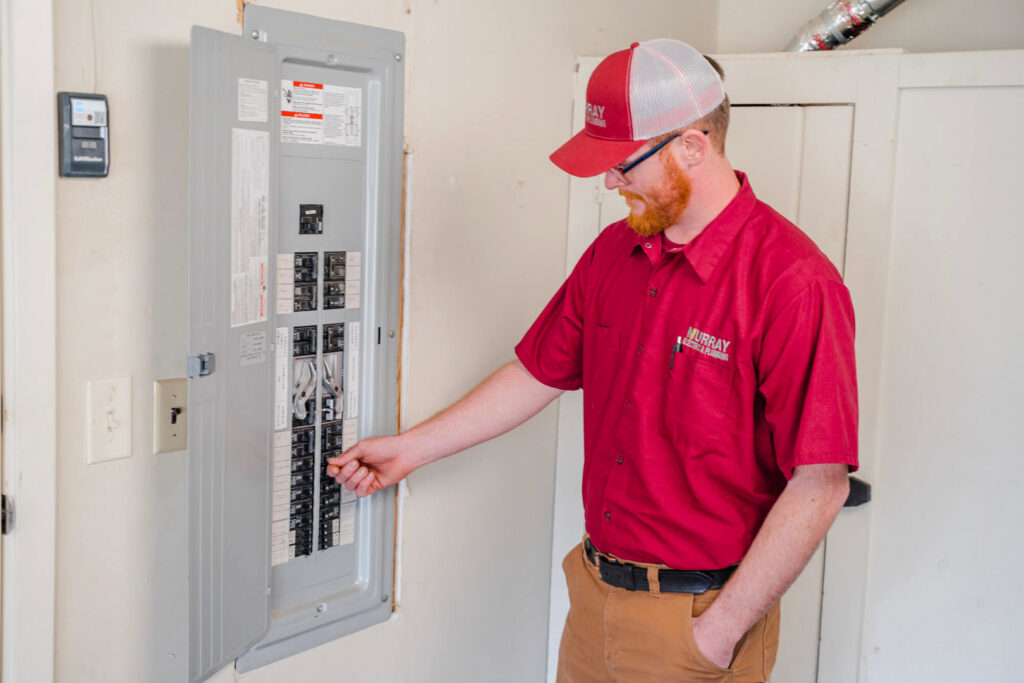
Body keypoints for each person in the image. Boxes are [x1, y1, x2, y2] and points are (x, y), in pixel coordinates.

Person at [327, 39, 857, 683]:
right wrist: (412, 450)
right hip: (594, 593)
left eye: (623, 164)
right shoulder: (615, 252)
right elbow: (536, 372)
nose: (608, 183)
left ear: (693, 145)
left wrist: (716, 634)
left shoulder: (793, 282)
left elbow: (820, 482)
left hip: (700, 614)